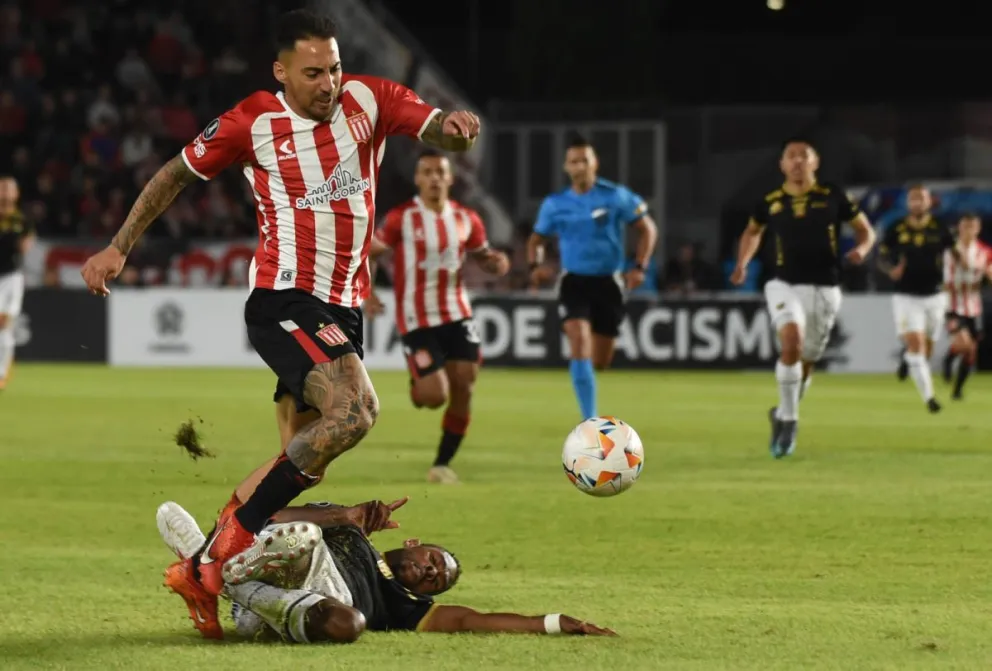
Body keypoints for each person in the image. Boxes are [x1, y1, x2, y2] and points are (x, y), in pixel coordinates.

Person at [79, 10, 482, 639]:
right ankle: (220, 556)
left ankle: (211, 571)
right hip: (283, 297)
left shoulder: (370, 100)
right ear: (282, 72)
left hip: (341, 312)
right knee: (356, 411)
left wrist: (457, 131)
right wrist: (119, 246)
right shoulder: (253, 121)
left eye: (336, 67)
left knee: (306, 454)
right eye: (314, 72)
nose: (329, 82)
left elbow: (436, 129)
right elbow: (174, 175)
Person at [156, 498, 616, 641]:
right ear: (414, 544)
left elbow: (475, 620)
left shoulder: (407, 605)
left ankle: (209, 571)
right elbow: (271, 517)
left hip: (286, 611)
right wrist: (344, 515)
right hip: (289, 561)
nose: (433, 573)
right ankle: (216, 569)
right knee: (305, 536)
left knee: (350, 623)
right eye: (435, 561)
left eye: (439, 578)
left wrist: (557, 624)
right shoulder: (354, 532)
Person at [365, 150, 510, 484]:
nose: (433, 178)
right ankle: (420, 384)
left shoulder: (466, 219)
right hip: (417, 317)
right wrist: (369, 292)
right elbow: (372, 251)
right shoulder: (403, 218)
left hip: (458, 312)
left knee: (466, 383)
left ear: (450, 178)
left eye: (439, 172)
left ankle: (442, 463)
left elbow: (483, 255)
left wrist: (496, 263)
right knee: (434, 396)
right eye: (426, 172)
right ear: (417, 179)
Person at [731, 138, 876, 458]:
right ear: (782, 165)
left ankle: (781, 413)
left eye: (803, 156)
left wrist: (862, 250)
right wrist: (742, 263)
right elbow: (752, 232)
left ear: (815, 162)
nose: (797, 161)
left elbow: (866, 231)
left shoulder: (833, 196)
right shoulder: (770, 201)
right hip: (783, 284)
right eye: (791, 156)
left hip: (825, 288)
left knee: (806, 364)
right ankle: (791, 422)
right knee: (791, 343)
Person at [525, 136, 657, 421]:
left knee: (600, 361)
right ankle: (590, 421)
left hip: (608, 283)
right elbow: (536, 239)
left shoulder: (615, 196)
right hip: (574, 282)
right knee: (578, 339)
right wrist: (535, 265)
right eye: (574, 161)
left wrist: (639, 266)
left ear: (595, 164)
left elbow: (647, 228)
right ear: (566, 167)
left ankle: (585, 378)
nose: (580, 166)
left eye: (585, 160)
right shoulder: (555, 203)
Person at [877, 185, 961, 412]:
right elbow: (882, 255)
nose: (917, 203)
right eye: (913, 199)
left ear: (929, 202)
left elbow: (956, 254)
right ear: (907, 203)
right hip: (906, 296)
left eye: (921, 199)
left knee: (927, 349)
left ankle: (907, 357)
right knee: (917, 345)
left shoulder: (941, 227)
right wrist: (891, 269)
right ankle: (929, 398)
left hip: (935, 295)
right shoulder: (896, 228)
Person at [940, 213, 992, 399]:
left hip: (974, 307)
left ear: (978, 229)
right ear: (959, 228)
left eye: (972, 227)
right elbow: (945, 277)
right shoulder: (949, 250)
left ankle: (957, 390)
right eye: (965, 226)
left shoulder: (985, 252)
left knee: (971, 352)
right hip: (952, 306)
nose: (968, 230)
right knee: (965, 345)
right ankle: (948, 360)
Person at [0, 176, 34, 390]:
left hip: (12, 278)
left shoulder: (22, 220)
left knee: (4, 324)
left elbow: (25, 248)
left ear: (15, 194)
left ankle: (2, 373)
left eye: (7, 189)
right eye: (1, 189)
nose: (4, 193)